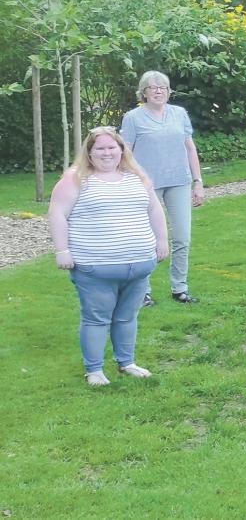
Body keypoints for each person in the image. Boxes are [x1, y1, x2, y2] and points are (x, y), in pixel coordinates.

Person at [48, 127, 169, 386]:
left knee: (127, 316)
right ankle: (94, 370)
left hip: (139, 264)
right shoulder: (75, 178)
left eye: (112, 147)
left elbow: (155, 209)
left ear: (122, 150)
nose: (107, 153)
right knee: (96, 318)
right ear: (89, 153)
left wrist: (161, 240)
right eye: (100, 148)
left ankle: (127, 362)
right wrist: (62, 251)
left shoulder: (136, 176)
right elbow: (57, 214)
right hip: (95, 266)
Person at [121, 70, 205, 305]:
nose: (158, 91)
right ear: (144, 92)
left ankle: (180, 288)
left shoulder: (179, 114)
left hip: (179, 181)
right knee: (147, 240)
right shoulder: (133, 118)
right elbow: (125, 152)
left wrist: (197, 181)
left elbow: (190, 148)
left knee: (182, 237)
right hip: (148, 186)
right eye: (153, 87)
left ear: (169, 92)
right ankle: (143, 291)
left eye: (163, 87)